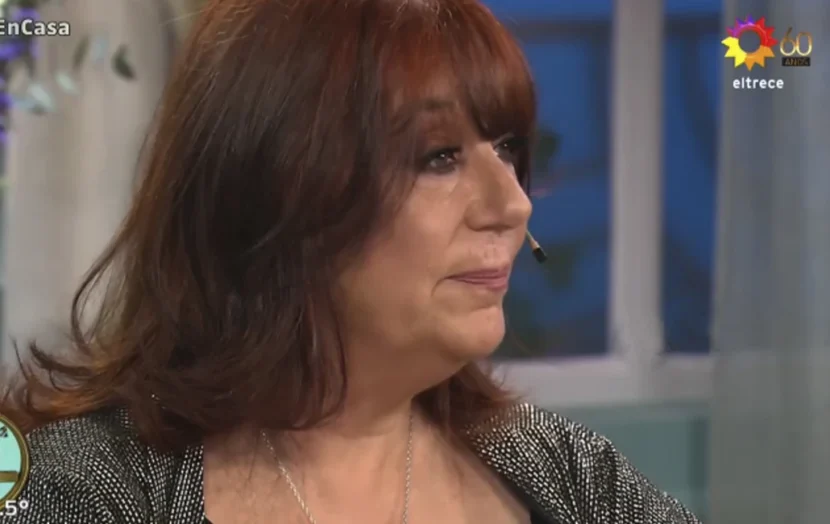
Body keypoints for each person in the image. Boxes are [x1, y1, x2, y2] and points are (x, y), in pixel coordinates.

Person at [0, 0, 701, 523]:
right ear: (281, 191)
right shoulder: (80, 493)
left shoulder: (574, 479)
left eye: (507, 149)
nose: (512, 204)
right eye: (440, 156)